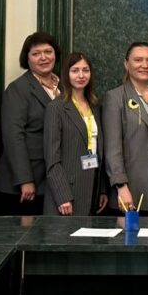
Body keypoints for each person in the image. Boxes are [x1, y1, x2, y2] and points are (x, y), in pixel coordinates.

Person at [0, 31, 61, 216]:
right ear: (27, 59)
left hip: (51, 179)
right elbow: (13, 136)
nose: (43, 57)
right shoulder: (18, 89)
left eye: (48, 51)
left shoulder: (63, 87)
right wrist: (24, 180)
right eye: (36, 53)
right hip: (24, 184)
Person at [102, 42, 148, 216]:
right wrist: (121, 186)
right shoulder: (115, 97)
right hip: (132, 183)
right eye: (138, 60)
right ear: (126, 64)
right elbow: (112, 148)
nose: (145, 65)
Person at [45, 53, 109, 216]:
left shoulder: (95, 106)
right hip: (67, 193)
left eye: (85, 70)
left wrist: (102, 189)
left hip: (92, 188)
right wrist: (62, 196)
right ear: (66, 74)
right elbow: (52, 159)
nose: (81, 75)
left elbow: (99, 151)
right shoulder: (56, 108)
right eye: (75, 70)